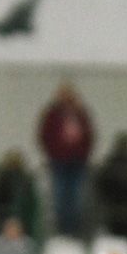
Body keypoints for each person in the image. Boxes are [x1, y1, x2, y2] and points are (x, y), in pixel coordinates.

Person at [37, 82, 95, 236]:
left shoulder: (81, 114)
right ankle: (62, 231)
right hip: (59, 162)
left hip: (78, 162)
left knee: (77, 200)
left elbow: (90, 136)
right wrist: (52, 154)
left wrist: (84, 154)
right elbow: (44, 136)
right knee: (60, 198)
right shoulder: (52, 114)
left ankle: (74, 231)